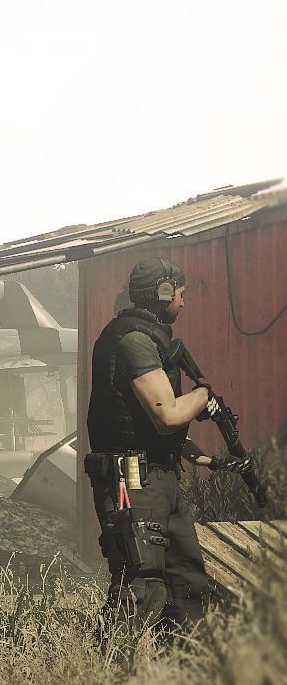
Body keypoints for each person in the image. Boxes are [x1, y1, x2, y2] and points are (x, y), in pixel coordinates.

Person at [82, 256, 231, 630]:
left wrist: (200, 457)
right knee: (142, 586)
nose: (183, 302)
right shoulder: (134, 340)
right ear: (164, 293)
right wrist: (202, 395)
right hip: (134, 479)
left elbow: (144, 424)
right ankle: (114, 664)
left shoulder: (146, 338)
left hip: (158, 478)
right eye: (181, 293)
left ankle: (179, 664)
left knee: (187, 587)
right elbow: (166, 415)